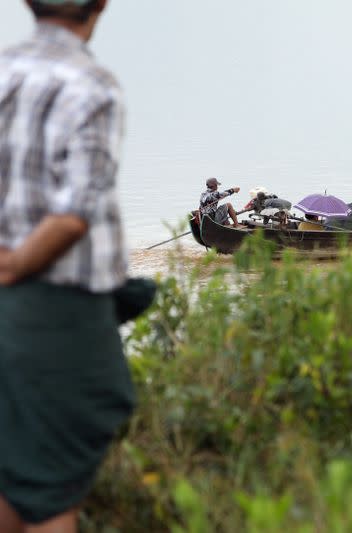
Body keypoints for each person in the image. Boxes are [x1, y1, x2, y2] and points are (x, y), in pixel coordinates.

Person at [0, 1, 152, 530]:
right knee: (51, 487)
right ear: (101, 5)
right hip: (57, 313)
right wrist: (17, 264)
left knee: (9, 468)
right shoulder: (91, 85)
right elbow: (71, 216)